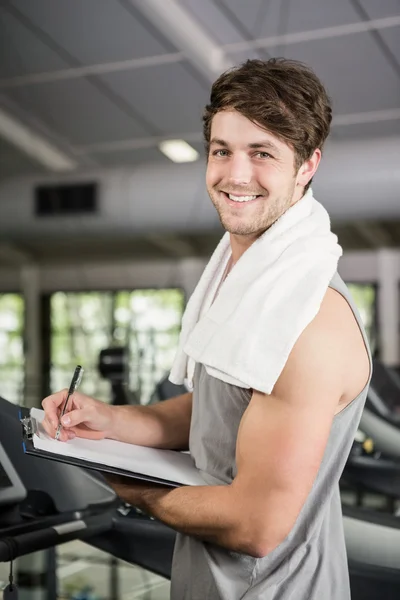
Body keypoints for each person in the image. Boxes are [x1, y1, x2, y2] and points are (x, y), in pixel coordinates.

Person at [42, 59, 371, 599]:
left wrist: (135, 489)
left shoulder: (309, 317)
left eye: (262, 153)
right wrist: (108, 421)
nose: (235, 174)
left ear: (308, 165)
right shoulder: (245, 277)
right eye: (222, 150)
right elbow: (225, 406)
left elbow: (255, 525)